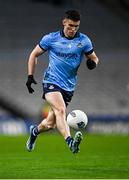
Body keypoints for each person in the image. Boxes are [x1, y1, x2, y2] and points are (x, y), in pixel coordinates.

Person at [26, 10, 99, 154]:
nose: (73, 29)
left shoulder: (84, 41)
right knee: (60, 110)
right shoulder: (50, 39)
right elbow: (34, 54)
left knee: (50, 124)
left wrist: (93, 63)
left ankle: (34, 132)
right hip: (51, 81)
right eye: (71, 25)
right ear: (64, 22)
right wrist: (30, 76)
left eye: (76, 26)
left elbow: (95, 58)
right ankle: (70, 142)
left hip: (68, 87)